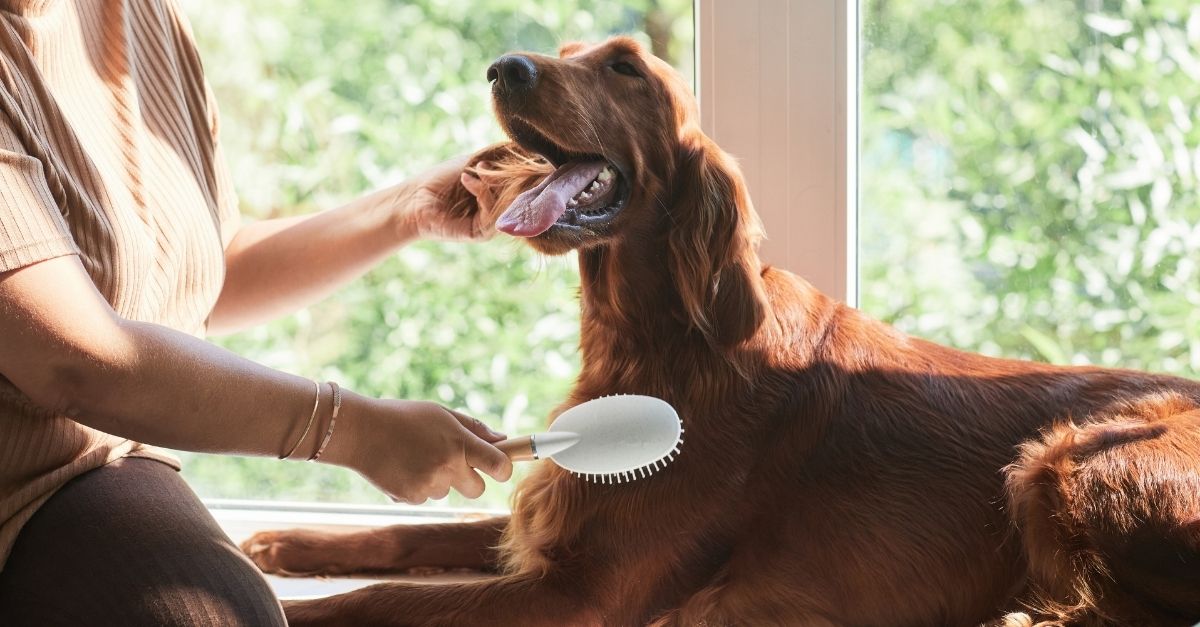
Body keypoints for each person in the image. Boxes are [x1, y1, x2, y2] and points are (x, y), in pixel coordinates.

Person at [0, 0, 514, 624]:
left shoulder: (141, 15)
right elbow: (74, 363)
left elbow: (209, 273)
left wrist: (405, 208)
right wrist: (356, 431)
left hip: (96, 467)